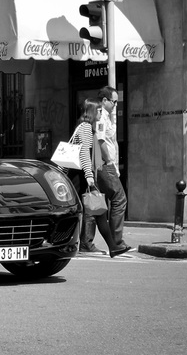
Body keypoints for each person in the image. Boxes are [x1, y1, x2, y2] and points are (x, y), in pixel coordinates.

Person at [70, 98, 130, 258]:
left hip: (83, 175)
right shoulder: (85, 128)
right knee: (96, 211)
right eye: (98, 110)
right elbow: (83, 152)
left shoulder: (87, 127)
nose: (100, 113)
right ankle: (109, 246)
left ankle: (113, 247)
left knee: (98, 211)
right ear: (91, 111)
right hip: (80, 176)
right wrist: (89, 177)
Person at [95, 85, 133, 254]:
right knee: (119, 198)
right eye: (114, 101)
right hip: (105, 164)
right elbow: (101, 141)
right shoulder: (101, 116)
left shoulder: (106, 116)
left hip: (103, 165)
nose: (115, 105)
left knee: (98, 207)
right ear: (104, 100)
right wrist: (109, 161)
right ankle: (116, 242)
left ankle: (110, 244)